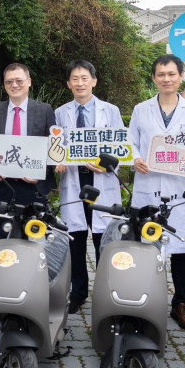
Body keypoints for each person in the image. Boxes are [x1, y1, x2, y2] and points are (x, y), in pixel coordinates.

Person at [130, 55, 185, 331]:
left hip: (179, 191)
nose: (166, 79)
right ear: (153, 78)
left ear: (181, 76)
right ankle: (142, 301)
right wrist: (134, 159)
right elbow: (130, 143)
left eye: (171, 74)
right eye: (160, 74)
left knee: (180, 249)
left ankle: (181, 304)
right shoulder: (140, 109)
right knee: (145, 247)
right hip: (146, 186)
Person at [53, 60, 124, 314]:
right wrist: (58, 161)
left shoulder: (111, 110)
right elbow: (56, 146)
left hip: (101, 179)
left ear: (94, 81)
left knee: (103, 237)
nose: (79, 83)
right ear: (68, 83)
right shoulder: (61, 112)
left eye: (84, 78)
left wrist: (108, 165)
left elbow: (120, 147)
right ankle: (79, 292)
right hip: (74, 179)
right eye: (74, 78)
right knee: (76, 238)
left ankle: (107, 290)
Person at [0, 63, 57, 239]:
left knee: (36, 238)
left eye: (19, 81)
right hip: (4, 185)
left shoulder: (44, 110)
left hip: (34, 185)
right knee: (5, 235)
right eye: (9, 82)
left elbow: (53, 148)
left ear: (29, 82)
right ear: (5, 84)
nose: (14, 85)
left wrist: (41, 172)